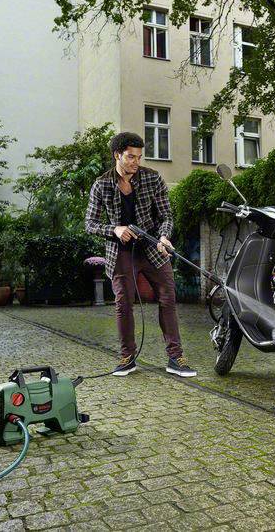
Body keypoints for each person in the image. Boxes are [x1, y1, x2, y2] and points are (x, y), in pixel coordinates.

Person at [85, 132, 197, 377]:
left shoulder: (152, 178)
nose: (136, 162)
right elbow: (90, 224)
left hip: (152, 248)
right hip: (121, 253)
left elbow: (166, 215)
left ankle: (176, 358)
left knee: (168, 297)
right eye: (130, 157)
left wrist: (165, 237)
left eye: (139, 157)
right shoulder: (101, 184)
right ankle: (127, 357)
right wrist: (114, 229)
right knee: (123, 303)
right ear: (118, 155)